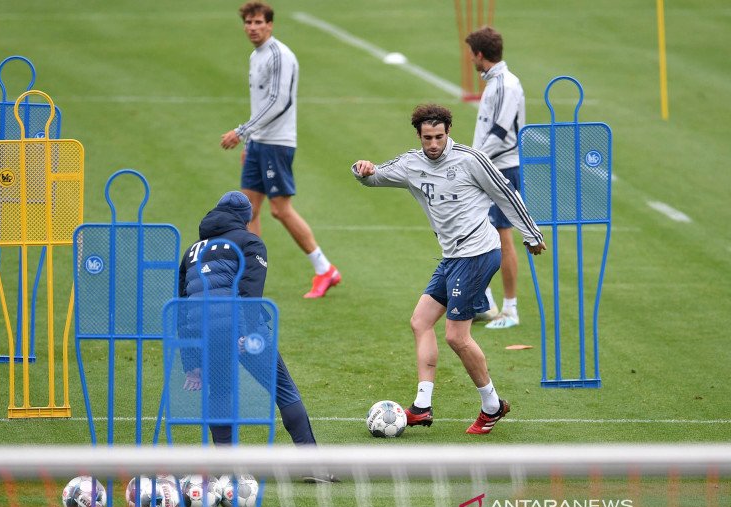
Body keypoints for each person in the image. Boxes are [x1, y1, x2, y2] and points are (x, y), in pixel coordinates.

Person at [351, 104, 545, 434]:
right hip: (453, 257)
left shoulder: (471, 160)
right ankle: (422, 407)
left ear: (448, 132)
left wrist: (531, 233)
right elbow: (374, 177)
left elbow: (505, 194)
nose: (433, 144)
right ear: (419, 135)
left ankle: (492, 407)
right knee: (420, 321)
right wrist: (361, 169)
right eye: (427, 138)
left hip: (479, 253)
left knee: (457, 335)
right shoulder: (411, 164)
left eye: (439, 137)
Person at [178, 191, 324, 458]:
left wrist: (191, 362)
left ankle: (225, 465)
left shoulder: (191, 252)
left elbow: (183, 308)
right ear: (246, 219)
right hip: (243, 333)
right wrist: (248, 334)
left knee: (221, 392)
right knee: (283, 390)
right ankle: (313, 464)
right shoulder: (249, 242)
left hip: (207, 337)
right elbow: (250, 294)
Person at [220, 1, 341, 299]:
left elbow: (278, 102)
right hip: (260, 143)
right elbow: (261, 103)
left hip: (277, 143)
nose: (252, 28)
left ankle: (324, 269)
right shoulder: (256, 55)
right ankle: (251, 273)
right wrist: (251, 142)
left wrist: (241, 132)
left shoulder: (280, 56)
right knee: (248, 209)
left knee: (280, 210)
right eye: (248, 23)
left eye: (258, 22)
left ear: (270, 25)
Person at [465, 26, 526, 329]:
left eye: (470, 55)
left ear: (479, 54)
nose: (470, 61)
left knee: (502, 237)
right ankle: (484, 304)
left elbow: (501, 133)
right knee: (481, 233)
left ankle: (510, 310)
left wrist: (473, 158)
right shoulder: (495, 83)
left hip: (502, 169)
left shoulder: (505, 85)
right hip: (490, 167)